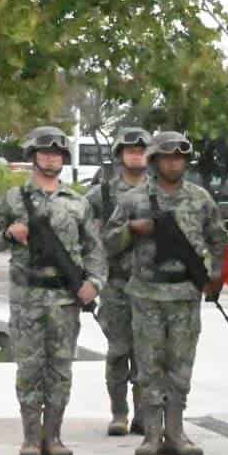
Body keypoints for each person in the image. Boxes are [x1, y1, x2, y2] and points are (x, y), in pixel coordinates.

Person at [0, 126, 106, 455]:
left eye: (57, 154)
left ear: (64, 160)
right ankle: (29, 438)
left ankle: (53, 436)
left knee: (61, 369)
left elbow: (94, 250)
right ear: (33, 156)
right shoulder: (13, 199)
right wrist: (10, 233)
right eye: (45, 152)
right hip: (27, 299)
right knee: (29, 368)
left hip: (65, 301)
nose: (51, 158)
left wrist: (93, 282)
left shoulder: (78, 203)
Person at [106, 130, 228, 455]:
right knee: (148, 367)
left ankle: (176, 432)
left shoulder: (200, 199)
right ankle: (152, 434)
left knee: (180, 366)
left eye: (180, 157)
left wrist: (216, 275)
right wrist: (132, 230)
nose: (175, 163)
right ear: (155, 161)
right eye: (167, 157)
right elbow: (107, 243)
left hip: (185, 294)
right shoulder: (134, 200)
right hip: (146, 294)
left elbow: (219, 240)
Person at [86, 126, 151, 436]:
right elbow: (85, 236)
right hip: (116, 283)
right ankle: (119, 414)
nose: (136, 155)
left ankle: (143, 415)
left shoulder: (160, 191)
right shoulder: (103, 194)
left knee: (146, 354)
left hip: (152, 285)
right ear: (120, 155)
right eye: (130, 150)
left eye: (141, 150)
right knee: (118, 351)